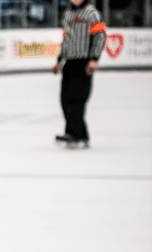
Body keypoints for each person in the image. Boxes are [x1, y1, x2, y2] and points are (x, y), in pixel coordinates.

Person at [53, 0, 106, 149]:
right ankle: (81, 135)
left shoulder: (92, 13)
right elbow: (66, 39)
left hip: (84, 62)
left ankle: (73, 134)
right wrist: (60, 60)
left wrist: (94, 59)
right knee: (65, 99)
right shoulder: (68, 14)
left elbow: (100, 36)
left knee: (77, 99)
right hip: (69, 62)